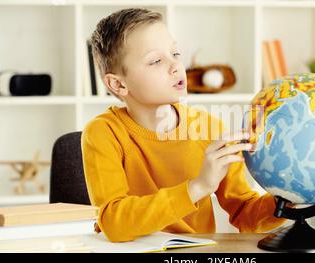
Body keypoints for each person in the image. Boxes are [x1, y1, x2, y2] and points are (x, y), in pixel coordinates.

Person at [82, 8, 287, 243]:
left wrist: (289, 200)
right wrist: (198, 187)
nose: (176, 66)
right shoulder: (103, 133)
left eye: (175, 53)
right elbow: (113, 222)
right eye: (156, 61)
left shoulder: (211, 129)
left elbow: (246, 214)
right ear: (118, 85)